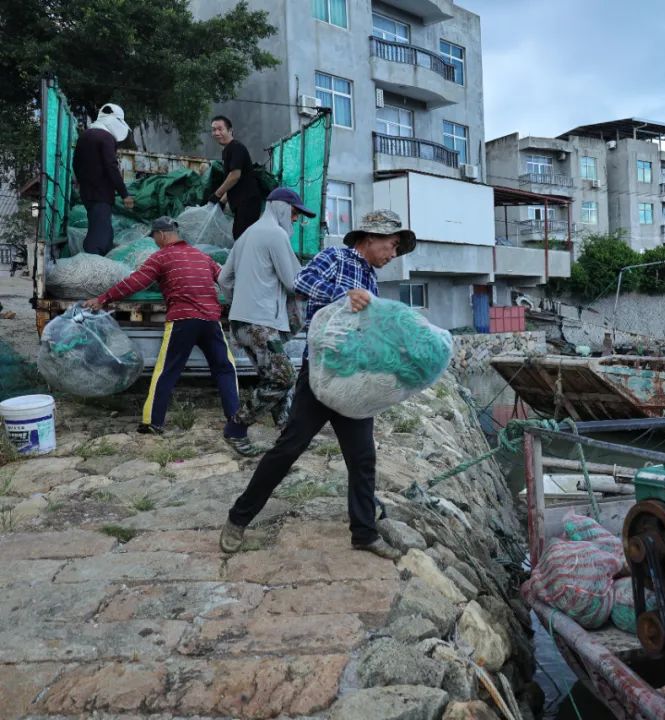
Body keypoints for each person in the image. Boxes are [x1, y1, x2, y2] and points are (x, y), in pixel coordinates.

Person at [220, 210, 417, 558]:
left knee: (362, 457)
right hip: (322, 375)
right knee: (288, 448)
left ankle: (364, 533)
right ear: (369, 238)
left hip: (353, 381)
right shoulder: (336, 257)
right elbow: (302, 282)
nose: (393, 254)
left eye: (397, 248)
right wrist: (346, 293)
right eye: (391, 245)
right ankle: (238, 518)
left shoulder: (370, 277)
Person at [84, 216, 261, 457]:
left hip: (182, 321)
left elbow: (136, 282)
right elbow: (226, 279)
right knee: (225, 369)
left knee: (167, 370)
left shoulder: (161, 257)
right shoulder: (202, 257)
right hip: (210, 320)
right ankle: (234, 418)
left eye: (155, 237)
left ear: (163, 234)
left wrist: (103, 298)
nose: (155, 242)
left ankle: (152, 423)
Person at [219, 188, 313, 427]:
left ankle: (287, 430)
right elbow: (294, 283)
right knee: (284, 377)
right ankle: (237, 427)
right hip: (260, 324)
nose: (295, 219)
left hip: (241, 322)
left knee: (275, 376)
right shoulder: (275, 234)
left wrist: (240, 302)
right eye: (294, 212)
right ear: (280, 207)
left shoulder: (246, 235)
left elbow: (223, 280)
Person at [73, 103, 136, 255]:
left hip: (87, 193)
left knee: (101, 228)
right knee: (99, 233)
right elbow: (111, 166)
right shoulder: (106, 138)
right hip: (101, 194)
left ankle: (103, 257)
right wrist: (124, 194)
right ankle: (93, 264)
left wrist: (82, 183)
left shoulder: (85, 135)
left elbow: (75, 163)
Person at [209, 115, 261, 240]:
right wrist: (222, 201)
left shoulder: (236, 147)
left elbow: (235, 176)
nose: (216, 132)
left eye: (220, 129)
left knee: (242, 238)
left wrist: (217, 194)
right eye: (214, 130)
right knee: (239, 236)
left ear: (230, 130)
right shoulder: (227, 150)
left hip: (248, 202)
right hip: (240, 203)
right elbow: (236, 181)